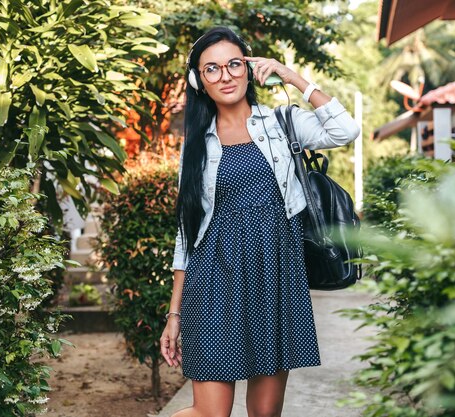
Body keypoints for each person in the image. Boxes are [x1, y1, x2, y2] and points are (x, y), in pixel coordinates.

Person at [160, 26, 360, 417]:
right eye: (212, 69)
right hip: (214, 283)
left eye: (234, 64)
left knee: (265, 414)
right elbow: (187, 233)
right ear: (199, 81)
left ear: (249, 69)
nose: (226, 75)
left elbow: (345, 130)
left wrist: (292, 76)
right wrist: (174, 314)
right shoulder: (197, 145)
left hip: (275, 278)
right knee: (210, 413)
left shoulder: (281, 124)